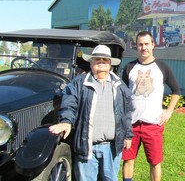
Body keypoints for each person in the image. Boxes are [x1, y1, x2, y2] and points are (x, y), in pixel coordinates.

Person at [49, 44, 134, 181]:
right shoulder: (79, 83)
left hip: (112, 148)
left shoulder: (120, 86)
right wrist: (66, 122)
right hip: (86, 146)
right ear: (91, 62)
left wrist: (128, 135)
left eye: (105, 60)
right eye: (97, 59)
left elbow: (127, 112)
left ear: (110, 64)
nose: (101, 62)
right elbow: (69, 103)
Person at [121, 31, 181, 181]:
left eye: (147, 44)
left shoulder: (162, 67)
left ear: (153, 45)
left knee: (155, 162)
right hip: (131, 125)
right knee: (128, 159)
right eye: (140, 44)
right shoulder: (129, 67)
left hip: (153, 124)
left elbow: (176, 90)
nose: (143, 47)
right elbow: (121, 94)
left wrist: (169, 111)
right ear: (136, 46)